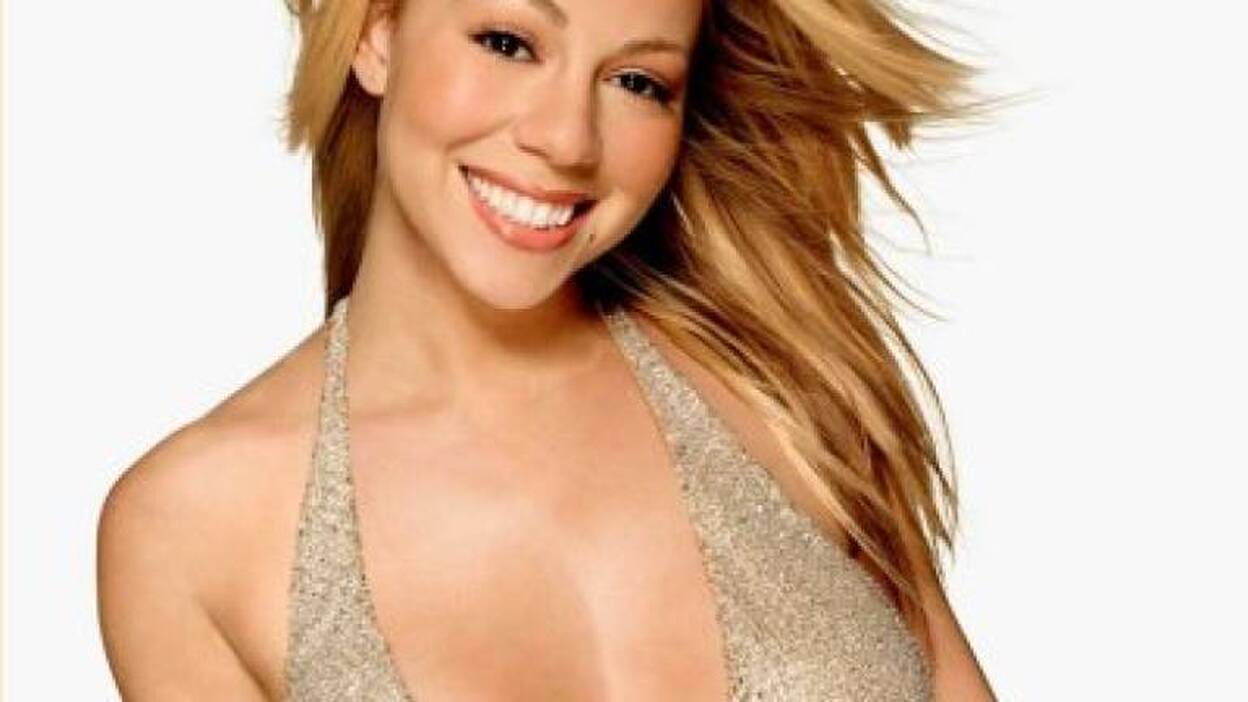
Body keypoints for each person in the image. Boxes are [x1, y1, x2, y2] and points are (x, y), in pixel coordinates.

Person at [97, 0, 1000, 699]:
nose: (566, 139)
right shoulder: (191, 534)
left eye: (637, 82)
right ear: (377, 32)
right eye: (508, 42)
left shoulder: (784, 389)